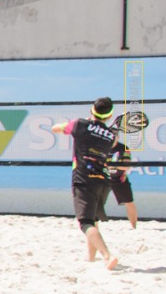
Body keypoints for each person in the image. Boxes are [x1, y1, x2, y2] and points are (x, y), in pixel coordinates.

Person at [53, 97, 122, 270]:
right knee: (93, 219)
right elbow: (112, 142)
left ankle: (107, 256)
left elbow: (55, 128)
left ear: (92, 109)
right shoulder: (111, 135)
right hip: (103, 181)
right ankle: (91, 258)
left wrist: (84, 121)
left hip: (84, 178)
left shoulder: (80, 124)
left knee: (85, 223)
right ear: (109, 115)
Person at [105, 142, 139, 230]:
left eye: (115, 135)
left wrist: (113, 166)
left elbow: (127, 166)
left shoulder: (123, 148)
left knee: (129, 202)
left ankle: (134, 227)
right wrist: (107, 166)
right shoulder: (101, 145)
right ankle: (93, 227)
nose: (113, 137)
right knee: (95, 202)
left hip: (119, 179)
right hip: (103, 178)